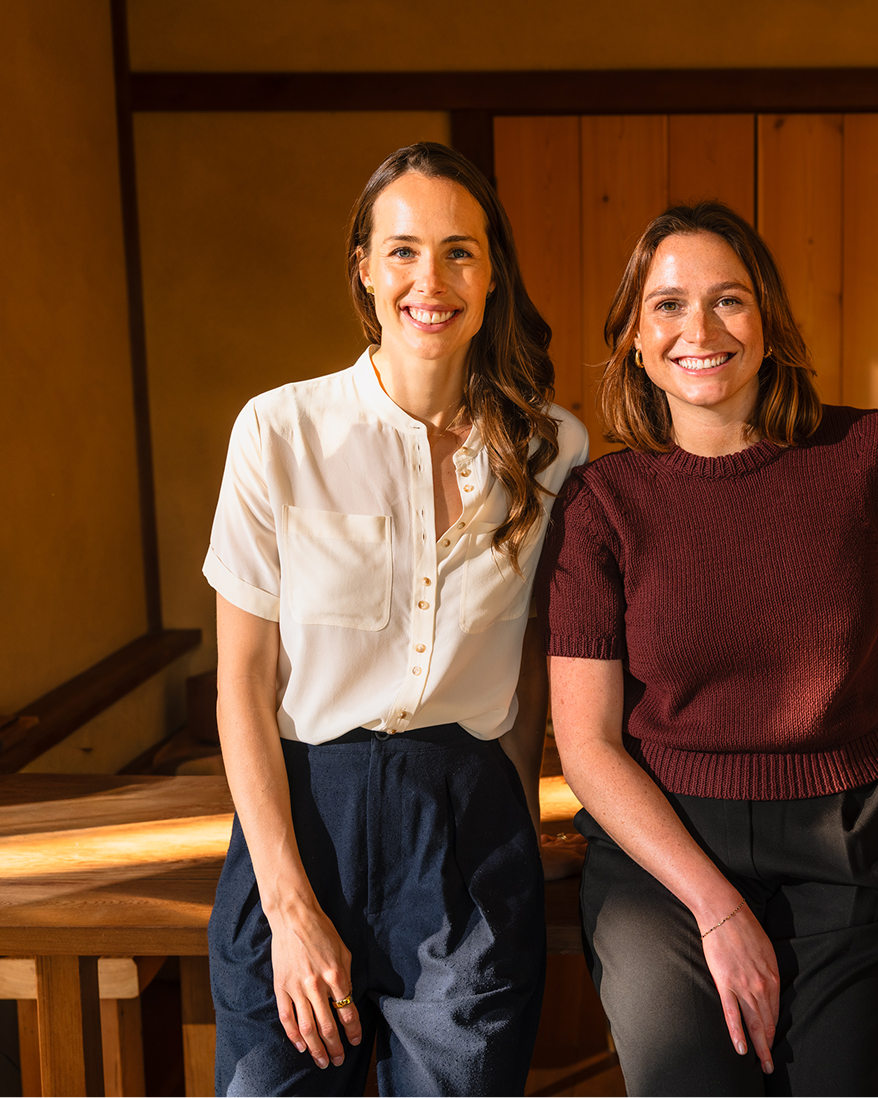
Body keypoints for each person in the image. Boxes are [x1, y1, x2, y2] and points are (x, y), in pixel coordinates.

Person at [535, 201, 878, 1097]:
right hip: (665, 852)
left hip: (853, 841)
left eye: (728, 300)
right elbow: (586, 743)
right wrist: (715, 904)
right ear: (634, 338)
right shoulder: (601, 505)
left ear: (768, 322)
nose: (700, 329)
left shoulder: (864, 455)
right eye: (667, 305)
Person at [202, 142, 588, 1098]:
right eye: (404, 250)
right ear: (365, 269)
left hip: (467, 825)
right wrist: (288, 906)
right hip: (301, 819)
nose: (432, 279)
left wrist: (514, 815)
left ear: (492, 274)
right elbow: (243, 683)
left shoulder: (552, 447)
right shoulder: (278, 432)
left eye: (461, 251)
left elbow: (538, 652)